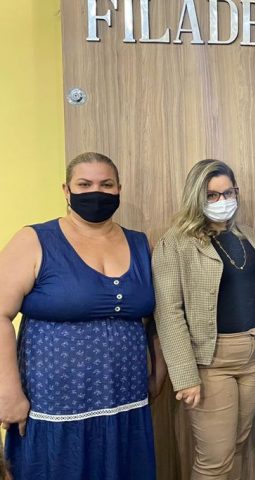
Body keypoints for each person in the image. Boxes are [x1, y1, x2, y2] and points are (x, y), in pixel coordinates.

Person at [0, 152, 159, 479]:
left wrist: (159, 371)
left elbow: (160, 316)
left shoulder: (141, 244)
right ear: (66, 190)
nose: (95, 192)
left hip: (126, 402)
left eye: (106, 184)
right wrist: (8, 392)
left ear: (119, 189)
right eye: (84, 184)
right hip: (54, 408)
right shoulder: (35, 240)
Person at [152, 160, 255, 480]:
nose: (222, 201)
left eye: (228, 193)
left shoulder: (250, 237)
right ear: (196, 197)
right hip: (210, 362)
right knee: (214, 460)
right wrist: (185, 376)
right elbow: (168, 312)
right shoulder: (175, 242)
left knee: (237, 447)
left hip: (254, 356)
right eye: (212, 195)